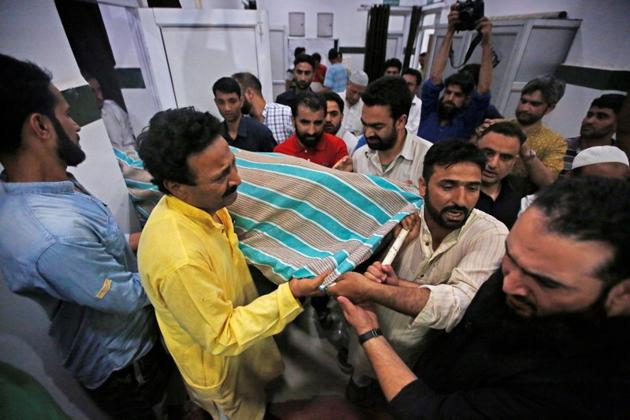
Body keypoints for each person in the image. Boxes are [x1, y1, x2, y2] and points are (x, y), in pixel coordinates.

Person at [338, 176, 630, 419]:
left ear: (622, 295)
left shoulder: (586, 387)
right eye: (510, 259)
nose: (509, 285)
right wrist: (400, 285)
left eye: (542, 281)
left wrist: (370, 331)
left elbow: (430, 414)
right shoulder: (520, 278)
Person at [0, 54, 169, 418]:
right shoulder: (52, 236)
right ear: (41, 126)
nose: (77, 124)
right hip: (127, 366)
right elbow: (124, 296)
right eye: (66, 113)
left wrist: (137, 240)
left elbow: (96, 249)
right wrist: (186, 270)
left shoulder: (49, 185)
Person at [136, 107, 326, 419]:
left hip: (246, 349)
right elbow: (223, 334)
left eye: (233, 164)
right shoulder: (178, 258)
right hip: (221, 367)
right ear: (175, 187)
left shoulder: (206, 203)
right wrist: (292, 294)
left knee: (259, 393)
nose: (237, 179)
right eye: (221, 176)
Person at [329, 140, 508, 404]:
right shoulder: (403, 215)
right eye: (448, 186)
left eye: (472, 188)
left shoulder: (491, 235)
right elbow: (363, 264)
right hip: (374, 326)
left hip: (426, 351)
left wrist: (374, 289)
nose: (461, 200)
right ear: (423, 186)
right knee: (361, 379)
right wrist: (394, 248)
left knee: (402, 398)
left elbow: (458, 305)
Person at [418, 6, 493, 143]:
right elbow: (435, 78)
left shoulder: (466, 122)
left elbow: (483, 89)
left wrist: (486, 42)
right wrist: (450, 32)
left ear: (466, 99)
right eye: (448, 92)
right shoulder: (430, 112)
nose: (450, 98)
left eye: (457, 95)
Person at [352, 76, 432, 188]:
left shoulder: (427, 158)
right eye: (364, 124)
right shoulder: (359, 158)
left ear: (400, 121)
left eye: (377, 126)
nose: (368, 133)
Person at [519, 145, 629, 214]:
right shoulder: (536, 207)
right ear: (571, 179)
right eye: (596, 183)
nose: (607, 191)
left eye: (616, 185)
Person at [511, 75, 567, 190]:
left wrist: (527, 154)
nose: (525, 108)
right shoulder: (497, 125)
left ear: (550, 108)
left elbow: (548, 181)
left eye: (534, 104)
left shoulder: (556, 142)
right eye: (523, 101)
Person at [274, 92, 349, 168]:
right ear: (293, 121)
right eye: (305, 123)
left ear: (324, 120)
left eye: (318, 123)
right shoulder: (281, 153)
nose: (311, 131)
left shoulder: (337, 147)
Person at [474, 121, 526, 229]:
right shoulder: (454, 189)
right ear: (475, 149)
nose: (493, 164)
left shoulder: (519, 190)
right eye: (488, 153)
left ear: (514, 161)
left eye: (505, 157)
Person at [562, 94, 625, 174]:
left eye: (601, 117)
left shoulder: (621, 158)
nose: (589, 121)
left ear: (618, 125)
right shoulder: (559, 147)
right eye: (589, 115)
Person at [212, 77, 276, 152]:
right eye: (221, 102)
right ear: (216, 102)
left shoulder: (260, 133)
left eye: (232, 101)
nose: (227, 108)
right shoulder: (214, 136)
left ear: (241, 101)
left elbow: (274, 161)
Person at [232, 71, 294, 144]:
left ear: (249, 93)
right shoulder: (241, 123)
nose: (233, 104)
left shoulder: (284, 113)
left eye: (236, 97)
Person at [84, 72, 137, 149]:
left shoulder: (112, 107)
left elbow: (129, 142)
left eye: (99, 89)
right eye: (92, 92)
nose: (99, 96)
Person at [322, 91, 359, 155]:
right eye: (324, 114)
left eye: (334, 114)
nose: (328, 119)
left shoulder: (353, 144)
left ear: (341, 117)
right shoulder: (311, 138)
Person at [339, 70, 369, 136]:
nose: (356, 97)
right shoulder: (335, 100)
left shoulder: (365, 108)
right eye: (353, 92)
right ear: (347, 84)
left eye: (360, 94)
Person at [401, 68, 423, 134]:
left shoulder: (420, 106)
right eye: (403, 83)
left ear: (417, 87)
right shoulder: (391, 102)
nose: (405, 87)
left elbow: (414, 132)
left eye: (409, 84)